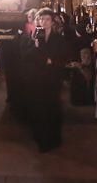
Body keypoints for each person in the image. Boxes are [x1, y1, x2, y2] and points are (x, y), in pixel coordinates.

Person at [24, 8, 66, 152]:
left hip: (53, 77)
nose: (44, 22)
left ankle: (53, 138)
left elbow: (61, 57)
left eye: (47, 19)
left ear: (52, 21)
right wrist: (39, 51)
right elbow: (28, 55)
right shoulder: (36, 36)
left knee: (52, 106)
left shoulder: (58, 37)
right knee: (39, 107)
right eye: (41, 19)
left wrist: (50, 60)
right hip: (38, 77)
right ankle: (41, 137)